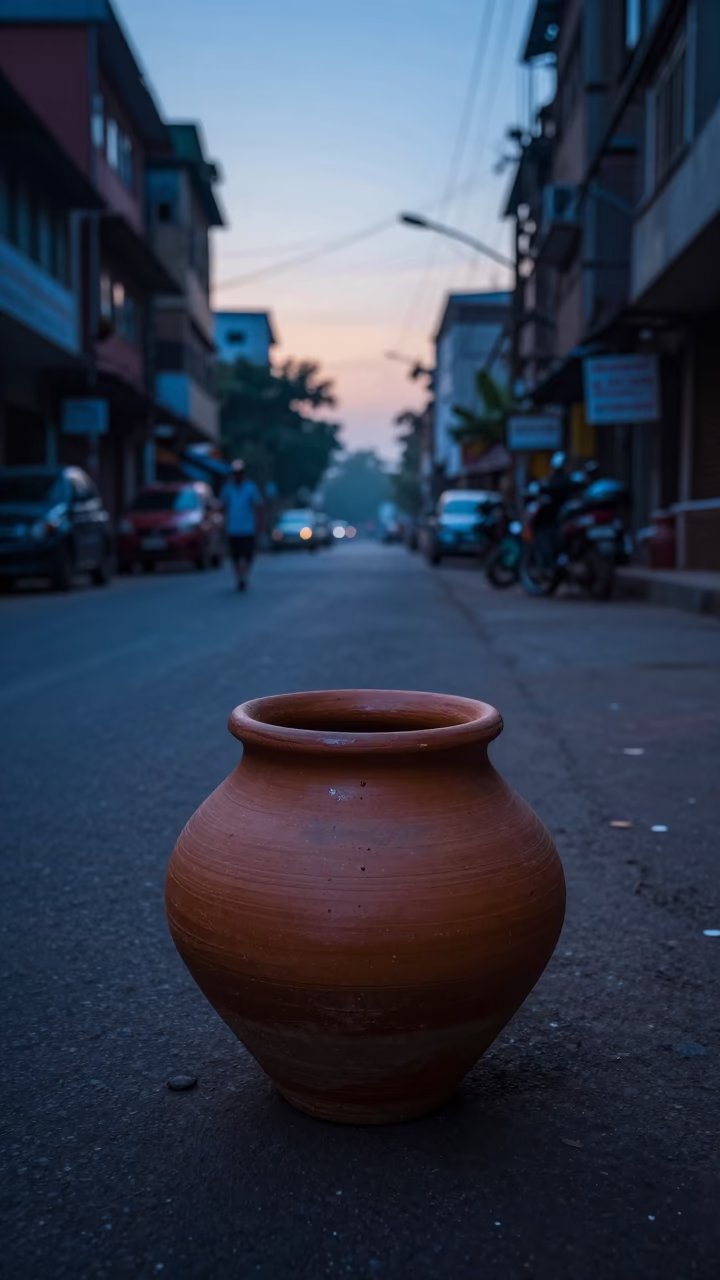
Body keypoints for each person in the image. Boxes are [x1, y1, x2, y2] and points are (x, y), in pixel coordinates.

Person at [220, 459, 263, 591]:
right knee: (235, 556)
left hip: (248, 528)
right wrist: (222, 525)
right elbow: (223, 508)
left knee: (248, 555)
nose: (237, 476)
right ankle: (239, 577)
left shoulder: (251, 488)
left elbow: (258, 507)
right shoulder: (227, 489)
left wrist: (259, 524)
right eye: (235, 473)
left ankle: (244, 575)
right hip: (233, 528)